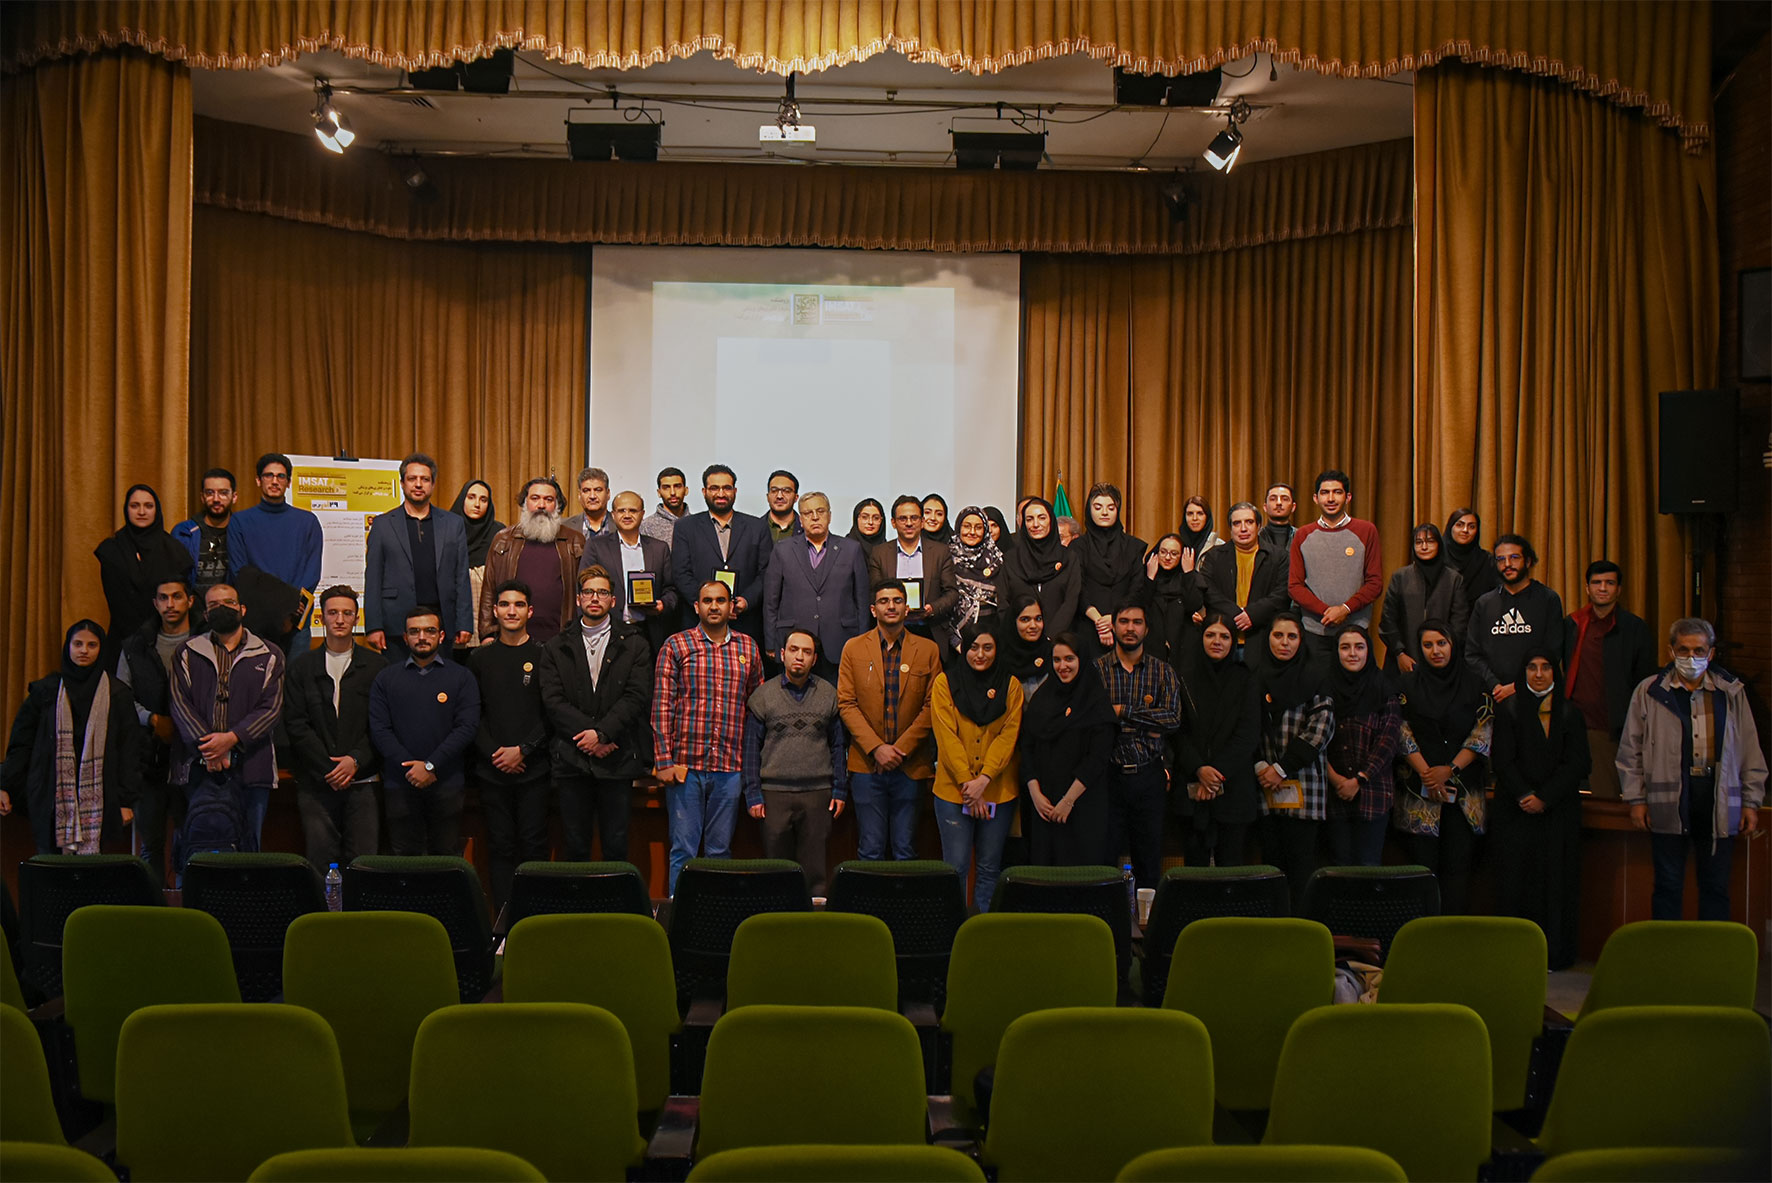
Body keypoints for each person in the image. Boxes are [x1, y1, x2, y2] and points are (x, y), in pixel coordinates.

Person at [1619, 618, 1766, 922]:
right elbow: (1630, 751)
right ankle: (1668, 950)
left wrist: (1751, 802)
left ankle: (1711, 951)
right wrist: (1636, 799)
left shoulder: (1730, 691)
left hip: (1718, 800)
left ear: (1710, 653)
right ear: (1671, 651)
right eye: (1684, 650)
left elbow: (1750, 748)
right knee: (1667, 885)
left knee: (1716, 887)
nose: (1691, 657)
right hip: (1668, 802)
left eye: (1699, 650)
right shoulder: (1649, 691)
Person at [652, 580, 764, 891]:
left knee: (719, 852)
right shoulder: (676, 645)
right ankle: (679, 914)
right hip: (685, 766)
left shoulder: (748, 647)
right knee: (683, 851)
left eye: (720, 600)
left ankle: (716, 914)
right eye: (707, 600)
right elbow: (662, 706)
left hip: (730, 766)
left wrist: (751, 767)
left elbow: (756, 709)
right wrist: (663, 760)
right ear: (696, 606)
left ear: (731, 607)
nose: (714, 606)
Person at [539, 565, 653, 865]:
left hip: (617, 757)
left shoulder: (635, 643)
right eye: (588, 592)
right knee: (575, 848)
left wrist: (603, 734)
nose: (594, 598)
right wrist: (592, 736)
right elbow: (553, 700)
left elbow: (637, 695)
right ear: (578, 599)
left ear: (613, 600)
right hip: (572, 759)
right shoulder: (556, 646)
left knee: (616, 848)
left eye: (602, 593)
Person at [2, 621, 140, 855]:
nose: (84, 650)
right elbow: (21, 744)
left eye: (92, 645)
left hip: (102, 801)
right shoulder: (46, 691)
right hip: (49, 797)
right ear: (68, 647)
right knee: (51, 868)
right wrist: (5, 785)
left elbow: (129, 749)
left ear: (102, 649)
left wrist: (126, 800)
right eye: (78, 644)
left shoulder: (117, 694)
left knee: (92, 872)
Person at [169, 583, 285, 856]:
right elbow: (179, 703)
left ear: (242, 609)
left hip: (253, 767)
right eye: (214, 605)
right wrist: (210, 748)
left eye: (229, 603)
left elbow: (271, 709)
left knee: (248, 851)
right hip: (197, 766)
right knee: (197, 849)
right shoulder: (186, 652)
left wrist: (231, 739)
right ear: (205, 614)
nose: (222, 608)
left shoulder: (269, 654)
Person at [1491, 648, 1590, 968]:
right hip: (1515, 811)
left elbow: (1578, 763)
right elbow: (1501, 760)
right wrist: (1525, 795)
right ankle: (1514, 954)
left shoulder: (1570, 713)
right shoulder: (1508, 710)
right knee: (1515, 882)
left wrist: (1545, 797)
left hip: (1557, 812)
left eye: (1546, 667)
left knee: (1556, 884)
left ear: (1555, 672)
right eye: (1532, 667)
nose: (1538, 674)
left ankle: (1554, 954)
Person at [837, 580, 943, 862]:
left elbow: (933, 705)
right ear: (873, 610)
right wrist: (877, 749)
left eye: (897, 601)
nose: (891, 606)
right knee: (870, 850)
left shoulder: (928, 650)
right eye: (884, 601)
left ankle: (902, 896)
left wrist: (900, 750)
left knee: (905, 850)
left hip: (911, 765)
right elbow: (846, 704)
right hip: (867, 765)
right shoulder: (853, 648)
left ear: (907, 608)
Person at [283, 584, 386, 872]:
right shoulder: (302, 667)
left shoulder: (377, 666)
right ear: (321, 616)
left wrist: (355, 760)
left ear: (356, 618)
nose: (340, 619)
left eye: (347, 613)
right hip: (317, 781)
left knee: (364, 865)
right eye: (333, 613)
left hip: (363, 780)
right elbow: (295, 723)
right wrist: (329, 767)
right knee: (320, 862)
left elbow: (381, 724)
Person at [1393, 620, 1491, 915]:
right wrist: (1428, 775)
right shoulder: (1406, 685)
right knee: (1420, 875)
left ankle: (1452, 936)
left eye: (1441, 643)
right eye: (1428, 645)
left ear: (1452, 645)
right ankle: (1421, 936)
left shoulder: (1475, 684)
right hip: (1419, 794)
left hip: (1464, 795)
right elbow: (1400, 731)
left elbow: (1482, 731)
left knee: (1458, 873)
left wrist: (1449, 770)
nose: (1435, 651)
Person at [367, 605, 481, 856]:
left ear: (441, 635)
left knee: (446, 860)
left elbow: (467, 727)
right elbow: (380, 730)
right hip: (400, 783)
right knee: (404, 861)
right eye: (414, 631)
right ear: (405, 637)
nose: (422, 637)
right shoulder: (386, 678)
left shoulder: (461, 677)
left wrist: (430, 765)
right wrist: (412, 768)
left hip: (447, 782)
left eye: (429, 631)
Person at [743, 629, 848, 896]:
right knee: (776, 871)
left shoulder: (829, 694)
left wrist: (839, 790)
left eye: (806, 652)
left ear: (814, 659)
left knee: (815, 871)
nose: (799, 656)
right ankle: (777, 915)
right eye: (793, 650)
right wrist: (753, 794)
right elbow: (751, 749)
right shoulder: (763, 696)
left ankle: (814, 917)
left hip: (818, 793)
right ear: (782, 655)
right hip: (774, 794)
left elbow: (838, 747)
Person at [468, 580, 551, 914]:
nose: (511, 611)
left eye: (518, 605)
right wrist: (494, 753)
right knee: (499, 848)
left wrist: (524, 750)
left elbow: (552, 712)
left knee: (534, 848)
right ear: (495, 611)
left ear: (530, 611)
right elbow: (471, 715)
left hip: (535, 770)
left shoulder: (546, 655)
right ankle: (503, 922)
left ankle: (535, 920)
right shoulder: (479, 658)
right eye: (505, 604)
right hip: (492, 771)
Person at [931, 621, 1023, 911]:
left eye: (987, 647)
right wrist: (968, 784)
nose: (980, 654)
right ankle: (954, 930)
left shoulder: (1011, 685)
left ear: (997, 649)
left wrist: (983, 781)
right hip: (953, 792)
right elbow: (946, 738)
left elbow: (1008, 737)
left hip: (998, 791)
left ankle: (983, 930)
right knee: (955, 868)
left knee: (989, 869)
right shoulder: (944, 683)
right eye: (973, 647)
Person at [1251, 613, 1336, 905]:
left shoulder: (1316, 677)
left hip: (1305, 790)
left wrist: (1281, 768)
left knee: (1301, 872)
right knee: (1270, 872)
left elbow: (1321, 730)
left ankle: (1301, 929)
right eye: (1278, 636)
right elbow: (1247, 727)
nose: (1284, 643)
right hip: (1266, 788)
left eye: (1292, 636)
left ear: (1301, 641)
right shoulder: (1256, 677)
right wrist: (1261, 766)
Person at [1096, 602, 1181, 888]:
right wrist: (1148, 724)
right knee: (1103, 865)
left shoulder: (1163, 671)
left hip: (1149, 776)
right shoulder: (1097, 671)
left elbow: (1172, 719)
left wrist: (1122, 712)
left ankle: (1146, 917)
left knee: (1149, 864)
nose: (1130, 628)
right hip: (1107, 777)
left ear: (1147, 629)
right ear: (1113, 626)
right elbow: (1094, 719)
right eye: (1124, 621)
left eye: (1137, 622)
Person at [115, 577, 194, 883]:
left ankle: (190, 907)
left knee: (192, 843)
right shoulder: (135, 646)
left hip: (194, 758)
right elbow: (122, 698)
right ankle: (152, 907)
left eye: (177, 596)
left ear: (190, 601)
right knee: (150, 844)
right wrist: (152, 719)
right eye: (163, 598)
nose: (170, 604)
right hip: (148, 759)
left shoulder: (206, 641)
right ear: (155, 604)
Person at [1562, 560, 1657, 799]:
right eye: (1596, 583)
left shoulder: (1634, 628)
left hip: (1612, 728)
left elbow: (1645, 682)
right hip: (1572, 725)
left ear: (1619, 589)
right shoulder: (1572, 624)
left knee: (1607, 798)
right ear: (1587, 588)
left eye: (1609, 583)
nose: (1602, 588)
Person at [1172, 614, 1260, 869]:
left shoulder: (1246, 679)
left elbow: (1248, 734)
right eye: (1210, 635)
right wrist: (1200, 769)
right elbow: (1177, 731)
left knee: (1231, 868)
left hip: (1233, 788)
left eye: (1224, 636)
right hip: (1192, 786)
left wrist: (1215, 774)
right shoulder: (1184, 677)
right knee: (1194, 871)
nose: (1217, 641)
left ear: (1233, 642)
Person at [1020, 633, 1115, 867]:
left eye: (1069, 659)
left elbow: (1097, 758)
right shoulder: (1041, 698)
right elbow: (1027, 748)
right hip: (1043, 805)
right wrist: (1035, 794)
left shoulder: (1095, 701)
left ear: (1081, 659)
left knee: (1080, 876)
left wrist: (1068, 801)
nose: (1062, 666)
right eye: (1057, 660)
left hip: (1082, 806)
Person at [364, 454, 473, 657]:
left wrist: (464, 622)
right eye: (412, 478)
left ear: (433, 484)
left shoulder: (453, 524)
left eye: (425, 479)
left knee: (440, 677)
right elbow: (373, 578)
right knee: (398, 677)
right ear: (402, 483)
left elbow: (461, 576)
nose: (418, 484)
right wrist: (373, 625)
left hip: (441, 623)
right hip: (396, 624)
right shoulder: (382, 525)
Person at [764, 491, 870, 685]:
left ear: (829, 516)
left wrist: (863, 643)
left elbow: (862, 601)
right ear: (801, 519)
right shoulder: (783, 549)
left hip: (840, 641)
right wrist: (771, 642)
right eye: (807, 513)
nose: (814, 517)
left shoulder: (851, 549)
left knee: (837, 698)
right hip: (795, 642)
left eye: (820, 511)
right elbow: (771, 600)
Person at [1323, 627, 1403, 867]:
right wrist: (1336, 779)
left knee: (1368, 866)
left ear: (1368, 651)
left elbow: (1388, 741)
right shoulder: (1324, 688)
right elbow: (1316, 740)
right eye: (1345, 647)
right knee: (1339, 866)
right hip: (1334, 791)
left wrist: (1359, 779)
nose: (1352, 653)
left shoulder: (1383, 687)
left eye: (1359, 647)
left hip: (1373, 792)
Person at [669, 464, 773, 645]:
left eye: (726, 488)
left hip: (745, 623)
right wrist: (709, 605)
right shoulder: (685, 527)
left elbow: (766, 573)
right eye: (714, 488)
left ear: (735, 491)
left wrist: (746, 601)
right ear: (704, 491)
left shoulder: (757, 527)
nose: (721, 493)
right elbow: (680, 573)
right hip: (697, 626)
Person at [227, 453, 324, 643]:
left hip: (296, 621)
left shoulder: (308, 521)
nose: (274, 481)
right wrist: (282, 603)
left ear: (288, 482)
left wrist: (293, 607)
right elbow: (241, 572)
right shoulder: (239, 521)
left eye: (280, 476)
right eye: (268, 475)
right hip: (257, 621)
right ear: (258, 480)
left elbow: (312, 574)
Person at [1288, 469, 1383, 660]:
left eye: (1337, 492)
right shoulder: (1303, 535)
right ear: (1316, 498)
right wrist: (1326, 612)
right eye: (1325, 493)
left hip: (1355, 629)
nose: (1330, 498)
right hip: (1315, 631)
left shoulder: (1366, 530)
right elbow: (1294, 586)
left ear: (1348, 497)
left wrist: (1345, 609)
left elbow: (1375, 583)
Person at [479, 477, 583, 645]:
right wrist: (487, 632)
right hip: (511, 640)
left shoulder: (575, 541)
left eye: (548, 499)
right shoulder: (503, 539)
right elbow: (489, 589)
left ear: (557, 506)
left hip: (562, 641)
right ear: (524, 503)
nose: (541, 505)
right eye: (535, 498)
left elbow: (584, 592)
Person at [1466, 534, 1564, 703]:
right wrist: (1494, 685)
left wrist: (1517, 686)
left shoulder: (1548, 599)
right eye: (1501, 559)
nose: (1507, 564)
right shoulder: (1484, 603)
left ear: (1528, 561)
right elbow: (1472, 654)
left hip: (1536, 697)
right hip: (1494, 696)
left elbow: (1553, 651)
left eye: (1514, 558)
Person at [94, 484, 194, 646]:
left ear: (157, 510)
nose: (141, 512)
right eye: (135, 506)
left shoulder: (174, 550)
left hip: (166, 638)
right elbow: (116, 603)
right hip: (124, 640)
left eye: (148, 506)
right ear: (126, 510)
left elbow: (178, 601)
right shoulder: (111, 550)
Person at [586, 489, 678, 656]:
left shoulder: (659, 548)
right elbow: (584, 586)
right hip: (608, 630)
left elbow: (671, 589)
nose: (627, 515)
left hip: (648, 631)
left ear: (642, 514)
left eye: (633, 510)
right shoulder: (597, 546)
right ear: (613, 514)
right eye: (621, 510)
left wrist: (662, 605)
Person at [867, 496, 959, 657]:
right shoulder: (880, 553)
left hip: (930, 629)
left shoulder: (940, 552)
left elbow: (952, 593)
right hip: (892, 630)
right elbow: (875, 592)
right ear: (893, 522)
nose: (909, 523)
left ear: (922, 521)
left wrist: (932, 608)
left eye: (914, 518)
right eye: (903, 518)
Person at [1199, 503, 1291, 657]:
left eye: (1249, 522)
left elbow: (1281, 594)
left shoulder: (1279, 557)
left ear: (1259, 526)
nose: (1243, 529)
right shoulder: (1214, 556)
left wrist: (1252, 614)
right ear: (1230, 528)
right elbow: (1208, 590)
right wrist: (1235, 613)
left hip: (1263, 639)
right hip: (1222, 640)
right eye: (1237, 523)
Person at [1378, 523, 1470, 676]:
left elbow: (1459, 624)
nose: (1424, 547)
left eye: (1430, 541)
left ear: (1439, 544)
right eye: (1419, 542)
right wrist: (1399, 653)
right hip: (1403, 660)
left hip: (1444, 661)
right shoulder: (1400, 577)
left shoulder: (1454, 579)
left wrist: (1443, 651)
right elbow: (1388, 620)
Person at [1076, 484, 1147, 663]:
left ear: (1118, 510)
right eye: (1098, 507)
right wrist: (1100, 622)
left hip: (1125, 626)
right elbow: (1077, 588)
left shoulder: (1133, 547)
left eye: (1111, 507)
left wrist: (1114, 618)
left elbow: (1137, 588)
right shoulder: (1077, 547)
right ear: (1089, 510)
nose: (1104, 513)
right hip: (1088, 625)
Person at [1001, 497, 1080, 638]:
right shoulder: (1010, 559)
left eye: (1042, 518)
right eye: (1029, 519)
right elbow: (1003, 602)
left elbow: (1071, 601)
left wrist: (1051, 637)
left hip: (1060, 640)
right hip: (1019, 641)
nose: (1035, 524)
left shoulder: (1068, 557)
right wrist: (1019, 634)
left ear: (1051, 521)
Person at [173, 467, 238, 603]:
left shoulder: (242, 532)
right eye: (210, 493)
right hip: (192, 609)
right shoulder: (184, 532)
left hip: (230, 609)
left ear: (234, 497)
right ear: (202, 497)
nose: (216, 499)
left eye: (223, 493)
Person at [946, 506, 1005, 651]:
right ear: (958, 528)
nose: (972, 532)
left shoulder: (996, 559)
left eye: (978, 527)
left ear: (985, 531)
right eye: (966, 526)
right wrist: (955, 641)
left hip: (990, 637)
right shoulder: (946, 557)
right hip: (952, 639)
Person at [451, 479, 502, 648]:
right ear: (462, 499)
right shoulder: (447, 530)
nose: (477, 504)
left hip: (489, 623)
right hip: (454, 619)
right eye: (471, 497)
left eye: (483, 499)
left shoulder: (499, 534)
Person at [1142, 533, 1201, 665]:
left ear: (1182, 556)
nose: (1167, 557)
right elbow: (1141, 608)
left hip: (1183, 648)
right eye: (1163, 552)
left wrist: (1189, 574)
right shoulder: (1145, 575)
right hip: (1150, 647)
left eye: (1174, 554)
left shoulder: (1189, 578)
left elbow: (1193, 605)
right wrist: (1150, 579)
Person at [1002, 595, 1053, 703]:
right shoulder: (1000, 659)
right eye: (1025, 619)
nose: (1033, 625)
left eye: (1038, 619)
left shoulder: (1053, 654)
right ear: (1013, 622)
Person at [1444, 508, 1499, 602]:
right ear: (1450, 528)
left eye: (1471, 527)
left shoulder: (1486, 560)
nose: (1465, 530)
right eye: (1459, 525)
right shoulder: (1437, 557)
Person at [642, 466, 691, 546]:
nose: (672, 492)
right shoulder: (646, 526)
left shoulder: (698, 524)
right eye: (666, 487)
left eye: (677, 486)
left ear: (686, 490)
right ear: (659, 493)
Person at [563, 466, 613, 542]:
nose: (592, 496)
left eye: (598, 490)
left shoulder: (621, 525)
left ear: (608, 494)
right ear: (579, 495)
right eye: (586, 490)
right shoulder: (564, 526)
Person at [1177, 496, 1224, 566]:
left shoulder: (1218, 546)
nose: (1194, 518)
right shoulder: (1177, 544)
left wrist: (1190, 571)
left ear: (1207, 517)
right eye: (1190, 514)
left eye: (1200, 513)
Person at [764, 470, 804, 542]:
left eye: (786, 491)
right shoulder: (754, 529)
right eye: (774, 491)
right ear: (767, 497)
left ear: (796, 497)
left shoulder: (806, 529)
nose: (779, 496)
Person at [1259, 483, 1298, 552]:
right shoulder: (1256, 537)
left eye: (1285, 499)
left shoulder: (1302, 537)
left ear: (1293, 507)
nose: (1279, 503)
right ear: (1265, 507)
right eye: (1273, 499)